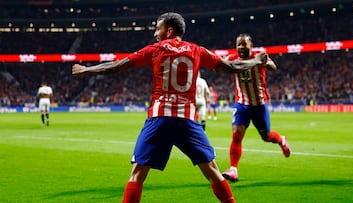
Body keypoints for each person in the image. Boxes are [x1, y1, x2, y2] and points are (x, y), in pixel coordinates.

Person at [72, 12, 266, 203]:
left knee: (138, 173)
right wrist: (257, 60)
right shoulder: (197, 50)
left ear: (169, 30)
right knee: (212, 170)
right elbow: (231, 67)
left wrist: (87, 70)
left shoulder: (153, 50)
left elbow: (117, 66)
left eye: (158, 29)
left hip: (160, 118)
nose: (156, 34)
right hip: (187, 120)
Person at [222, 33, 291, 182]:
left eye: (244, 44)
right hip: (242, 104)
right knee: (236, 134)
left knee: (266, 137)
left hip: (259, 105)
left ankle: (281, 140)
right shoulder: (232, 58)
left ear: (251, 46)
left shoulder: (260, 56)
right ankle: (233, 169)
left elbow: (273, 67)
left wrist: (265, 63)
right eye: (238, 45)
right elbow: (220, 67)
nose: (241, 47)